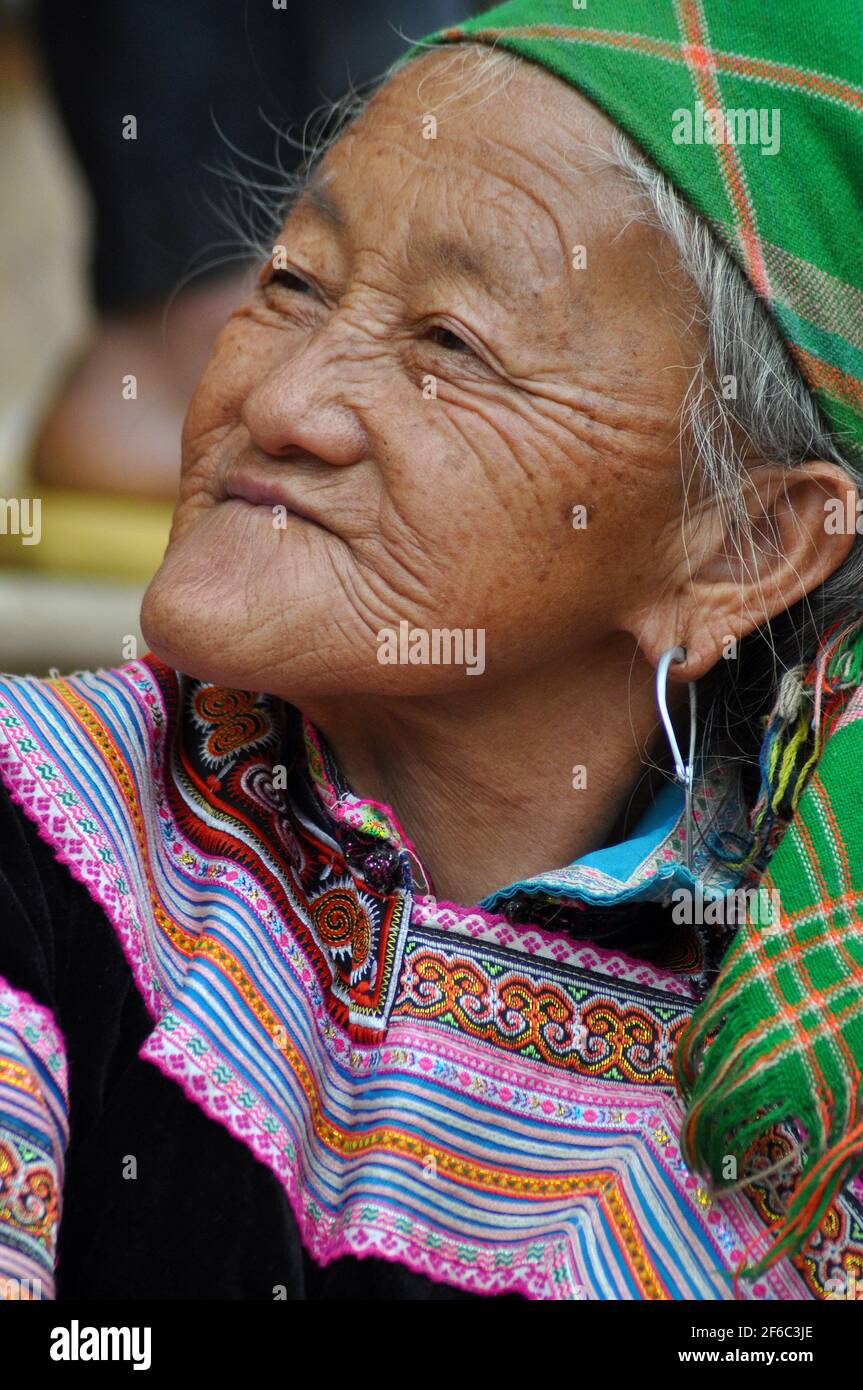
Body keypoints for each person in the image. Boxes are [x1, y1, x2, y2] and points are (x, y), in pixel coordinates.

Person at [2, 0, 862, 1301]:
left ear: (738, 547)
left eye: (450, 348)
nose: (279, 404)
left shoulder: (805, 1060)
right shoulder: (45, 824)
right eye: (290, 282)